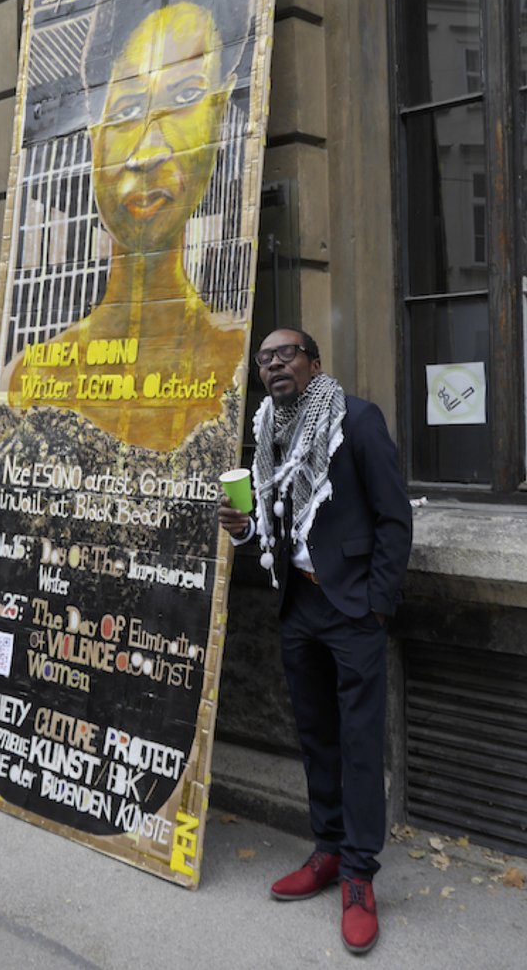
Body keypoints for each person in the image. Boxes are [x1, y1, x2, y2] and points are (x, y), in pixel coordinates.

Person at [8, 0, 253, 452]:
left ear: (221, 107)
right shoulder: (27, 381)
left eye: (185, 97)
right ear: (93, 135)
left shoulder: (238, 364)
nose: (147, 152)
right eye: (125, 111)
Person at [218, 328, 412, 955]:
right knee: (315, 736)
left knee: (358, 743)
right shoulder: (268, 431)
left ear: (314, 362)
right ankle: (328, 850)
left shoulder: (355, 420)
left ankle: (359, 875)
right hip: (297, 603)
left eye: (286, 355)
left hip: (352, 608)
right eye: (265, 358)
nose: (274, 365)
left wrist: (377, 607)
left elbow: (393, 518)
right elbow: (276, 521)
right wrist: (245, 528)